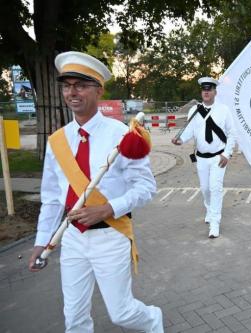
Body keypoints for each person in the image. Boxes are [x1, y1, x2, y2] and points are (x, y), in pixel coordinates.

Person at [29, 51, 162, 333]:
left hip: (111, 234)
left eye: (81, 85)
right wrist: (42, 241)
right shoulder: (57, 142)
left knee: (121, 313)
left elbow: (146, 186)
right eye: (67, 85)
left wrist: (108, 208)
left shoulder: (122, 135)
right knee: (74, 318)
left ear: (99, 90)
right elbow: (52, 198)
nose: (72, 92)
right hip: (72, 238)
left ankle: (152, 320)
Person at [172, 77, 235, 238]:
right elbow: (189, 131)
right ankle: (209, 208)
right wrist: (180, 140)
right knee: (205, 188)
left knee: (215, 188)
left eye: (209, 89)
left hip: (218, 158)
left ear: (215, 92)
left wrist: (227, 153)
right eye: (204, 90)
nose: (206, 92)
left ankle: (215, 222)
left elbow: (232, 133)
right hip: (201, 158)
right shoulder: (195, 111)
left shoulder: (224, 110)